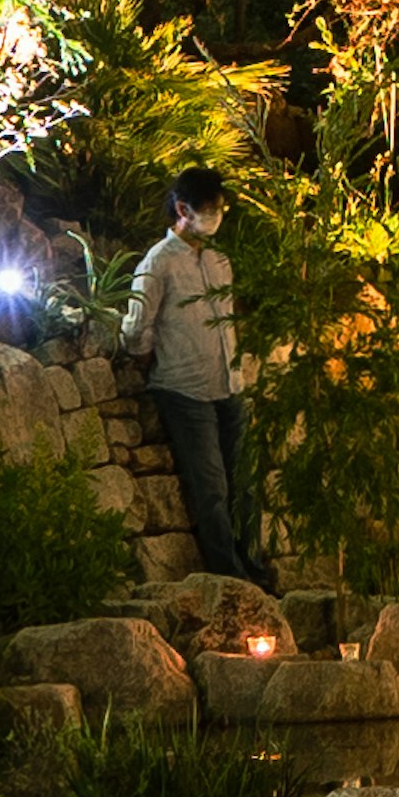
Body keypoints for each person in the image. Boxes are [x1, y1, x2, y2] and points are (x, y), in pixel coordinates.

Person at [122, 164, 261, 585]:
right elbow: (137, 326)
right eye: (210, 208)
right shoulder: (159, 263)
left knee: (244, 485)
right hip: (185, 389)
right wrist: (147, 356)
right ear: (183, 209)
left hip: (228, 385)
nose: (216, 216)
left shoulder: (220, 260)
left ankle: (252, 565)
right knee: (212, 487)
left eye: (220, 208)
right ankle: (231, 576)